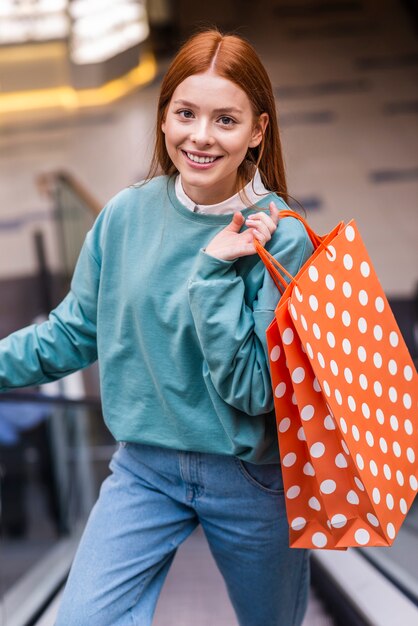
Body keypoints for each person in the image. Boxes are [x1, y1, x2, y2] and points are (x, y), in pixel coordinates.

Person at [0, 29, 314, 626]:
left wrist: (216, 273)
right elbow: (73, 332)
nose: (200, 136)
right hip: (144, 469)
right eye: (185, 113)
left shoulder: (282, 237)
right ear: (163, 118)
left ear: (258, 131)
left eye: (225, 119)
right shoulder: (125, 215)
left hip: (251, 479)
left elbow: (257, 391)